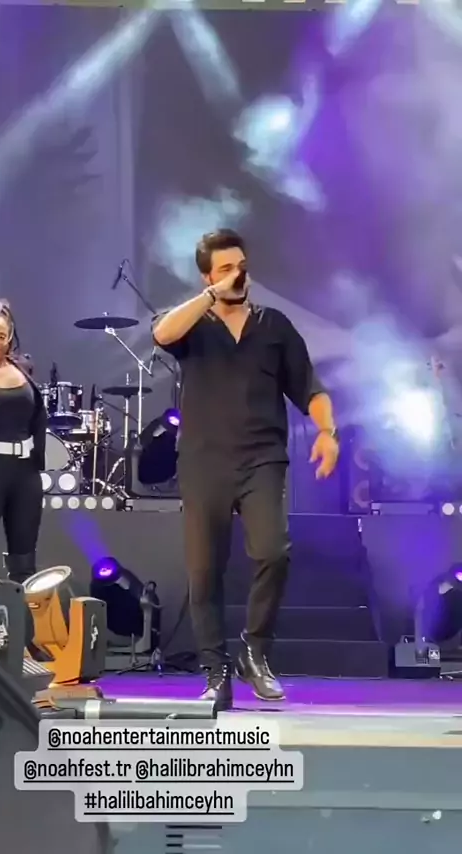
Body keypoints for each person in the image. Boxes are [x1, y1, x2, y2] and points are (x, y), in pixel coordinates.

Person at [153, 230, 339, 710]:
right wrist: (210, 297)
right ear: (207, 277)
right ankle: (215, 671)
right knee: (204, 571)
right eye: (225, 269)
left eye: (241, 266)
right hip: (204, 461)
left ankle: (254, 651)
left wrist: (327, 432)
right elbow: (163, 334)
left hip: (262, 457)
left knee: (273, 552)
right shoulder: (193, 324)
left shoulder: (273, 326)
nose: (237, 275)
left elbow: (311, 387)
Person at [0, 300, 47, 582]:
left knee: (24, 563)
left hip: (25, 474)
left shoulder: (22, 367)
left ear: (10, 337)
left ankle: (20, 611)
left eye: (1, 336)